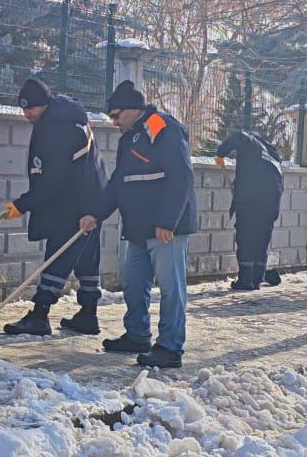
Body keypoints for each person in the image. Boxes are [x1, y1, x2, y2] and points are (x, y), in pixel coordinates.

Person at [80, 81, 196, 369]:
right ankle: (137, 335)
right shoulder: (128, 139)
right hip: (137, 228)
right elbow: (119, 183)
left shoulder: (160, 127)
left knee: (171, 288)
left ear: (133, 109)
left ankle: (170, 347)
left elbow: (180, 175)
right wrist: (95, 213)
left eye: (117, 115)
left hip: (165, 228)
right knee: (134, 284)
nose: (114, 122)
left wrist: (167, 220)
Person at [1, 77, 104, 336]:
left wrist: (23, 204)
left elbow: (52, 178)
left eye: (30, 109)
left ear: (44, 104)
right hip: (91, 198)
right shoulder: (69, 117)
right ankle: (88, 314)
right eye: (23, 109)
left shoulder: (57, 127)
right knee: (86, 258)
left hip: (72, 202)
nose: (26, 114)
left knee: (58, 256)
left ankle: (39, 315)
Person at [212, 128, 284, 291]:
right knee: (261, 238)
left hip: (252, 198)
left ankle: (245, 280)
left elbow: (238, 136)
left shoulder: (250, 141)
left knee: (246, 237)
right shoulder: (271, 152)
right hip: (272, 201)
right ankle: (257, 277)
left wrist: (221, 154)